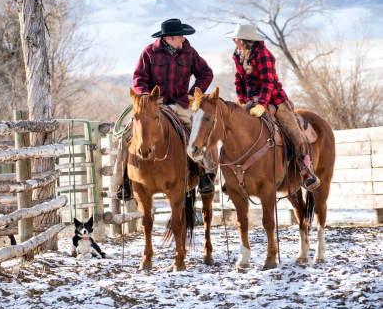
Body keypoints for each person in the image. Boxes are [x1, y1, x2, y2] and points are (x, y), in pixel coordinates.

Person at [111, 18, 215, 200]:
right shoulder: (149, 52)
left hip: (180, 103)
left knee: (195, 132)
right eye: (180, 36)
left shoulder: (189, 53)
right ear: (169, 38)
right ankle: (124, 182)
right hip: (153, 104)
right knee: (127, 136)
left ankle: (204, 174)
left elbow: (206, 73)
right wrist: (145, 97)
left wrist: (192, 94)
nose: (183, 38)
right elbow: (139, 77)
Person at [226, 23, 320, 190]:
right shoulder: (237, 54)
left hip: (274, 100)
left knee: (293, 130)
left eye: (236, 38)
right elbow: (238, 80)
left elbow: (268, 82)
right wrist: (241, 100)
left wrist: (262, 104)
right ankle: (234, 172)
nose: (234, 41)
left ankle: (306, 170)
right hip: (249, 100)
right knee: (233, 127)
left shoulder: (264, 55)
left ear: (244, 40)